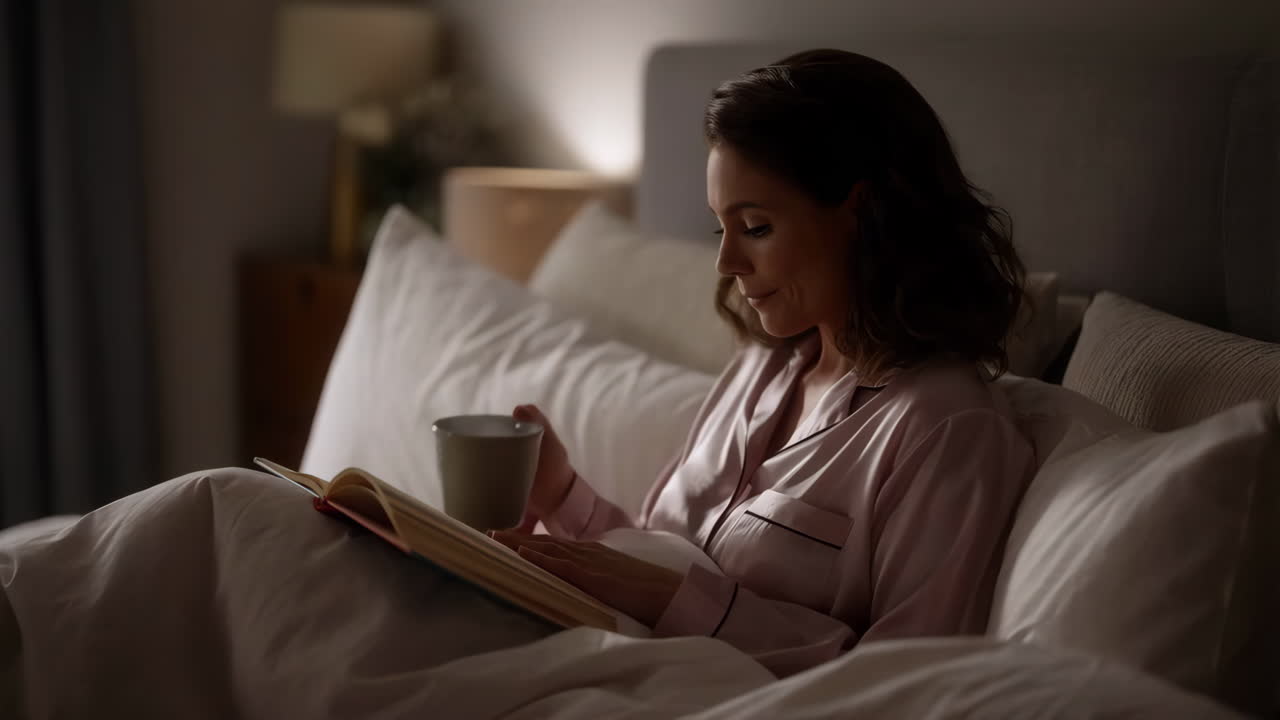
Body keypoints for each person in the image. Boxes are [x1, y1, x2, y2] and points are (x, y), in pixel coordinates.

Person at [490, 48, 1035, 678]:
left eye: (754, 227)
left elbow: (904, 683)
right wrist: (563, 496)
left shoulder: (947, 430)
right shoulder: (760, 369)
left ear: (860, 213)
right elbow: (665, 564)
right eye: (721, 229)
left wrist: (679, 602)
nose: (726, 264)